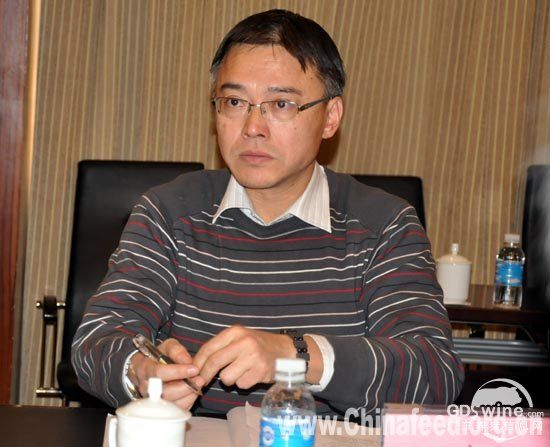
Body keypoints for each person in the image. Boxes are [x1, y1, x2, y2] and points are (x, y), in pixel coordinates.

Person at [72, 9, 463, 417]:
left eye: (281, 104)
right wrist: (139, 372)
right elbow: (95, 342)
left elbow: (432, 374)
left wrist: (295, 355)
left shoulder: (384, 225)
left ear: (330, 117)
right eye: (234, 102)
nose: (253, 127)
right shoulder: (169, 214)